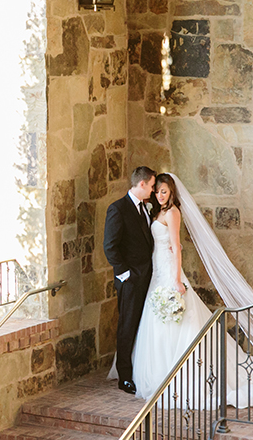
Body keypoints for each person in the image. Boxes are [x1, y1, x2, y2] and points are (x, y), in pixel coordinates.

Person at [112, 173, 253, 406]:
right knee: (156, 322)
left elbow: (177, 247)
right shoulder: (154, 211)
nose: (159, 194)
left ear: (172, 192)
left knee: (179, 322)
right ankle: (158, 372)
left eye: (164, 191)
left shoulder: (173, 212)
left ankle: (183, 375)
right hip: (155, 273)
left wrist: (177, 279)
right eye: (157, 191)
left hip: (168, 272)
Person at [103, 166, 156, 395]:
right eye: (152, 186)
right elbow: (110, 246)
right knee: (127, 325)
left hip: (150, 278)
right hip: (131, 280)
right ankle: (124, 377)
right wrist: (126, 275)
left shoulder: (147, 208)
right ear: (142, 184)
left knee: (143, 325)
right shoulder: (118, 209)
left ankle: (141, 369)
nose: (154, 191)